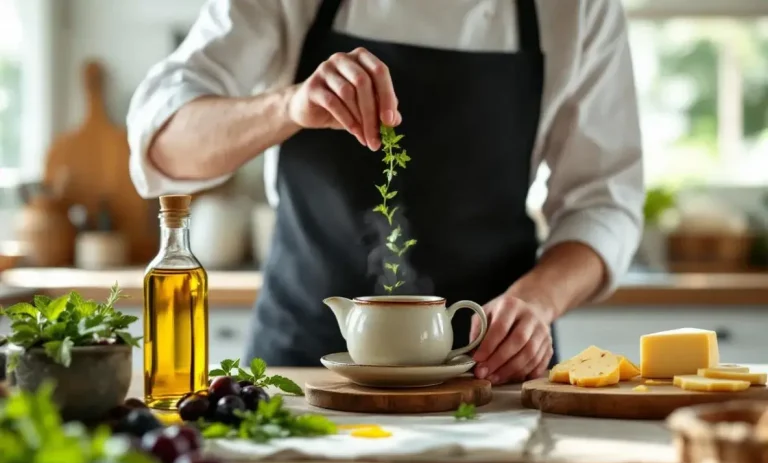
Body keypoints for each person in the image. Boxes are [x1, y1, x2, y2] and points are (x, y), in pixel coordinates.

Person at [127, 0, 644, 385]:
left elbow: (605, 203)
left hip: (490, 379)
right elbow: (164, 143)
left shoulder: (579, 8)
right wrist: (288, 107)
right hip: (303, 374)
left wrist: (538, 301)